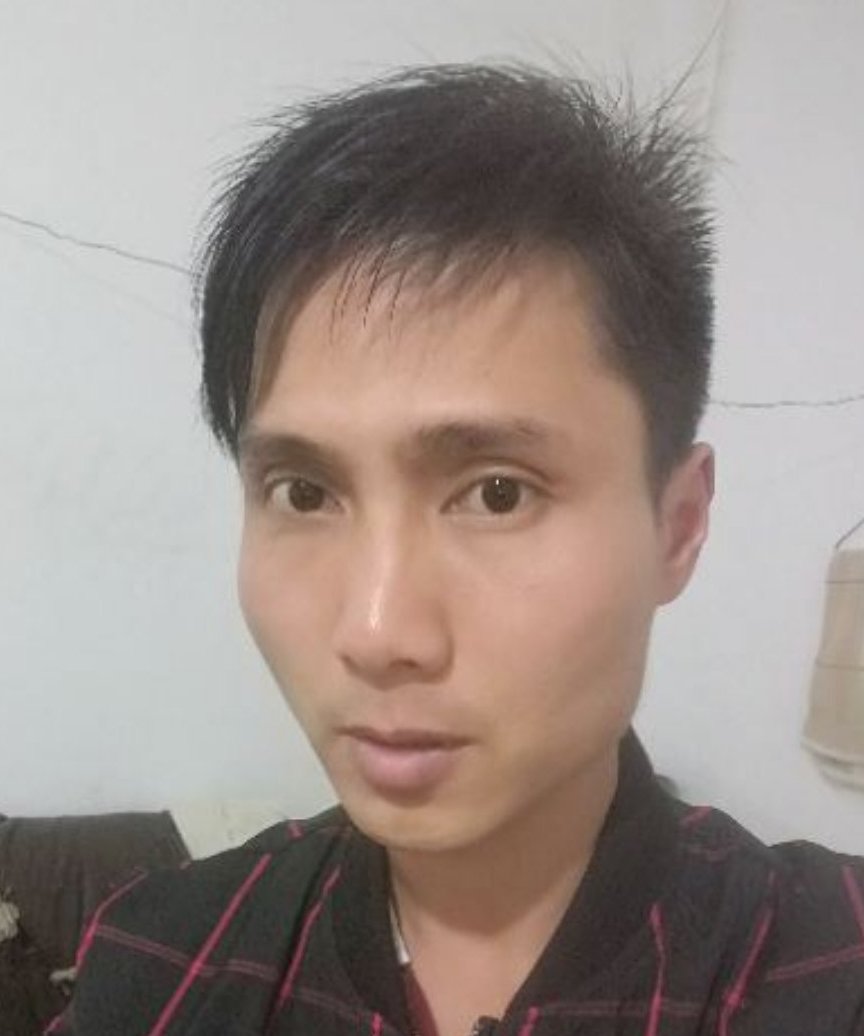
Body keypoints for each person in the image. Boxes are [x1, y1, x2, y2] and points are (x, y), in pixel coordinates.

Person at [51, 65, 864, 1036]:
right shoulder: (162, 960)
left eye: (496, 493)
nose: (377, 631)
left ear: (678, 525)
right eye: (304, 492)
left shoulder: (822, 969)